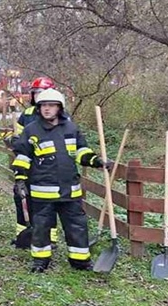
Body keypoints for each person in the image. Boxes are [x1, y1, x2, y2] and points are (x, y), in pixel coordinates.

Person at [11, 88, 109, 273]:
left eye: (51, 105)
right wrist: (20, 180)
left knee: (77, 226)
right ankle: (40, 261)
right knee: (41, 228)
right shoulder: (32, 130)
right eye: (43, 106)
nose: (47, 109)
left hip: (70, 190)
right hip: (42, 191)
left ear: (60, 108)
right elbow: (23, 157)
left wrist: (97, 161)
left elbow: (81, 152)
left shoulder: (72, 128)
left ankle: (80, 261)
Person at [10, 76, 60, 248]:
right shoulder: (27, 114)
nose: (37, 96)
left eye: (40, 93)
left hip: (48, 167)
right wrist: (15, 141)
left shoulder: (59, 116)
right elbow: (19, 136)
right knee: (21, 198)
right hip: (27, 166)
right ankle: (23, 235)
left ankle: (50, 238)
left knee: (48, 204)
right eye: (35, 93)